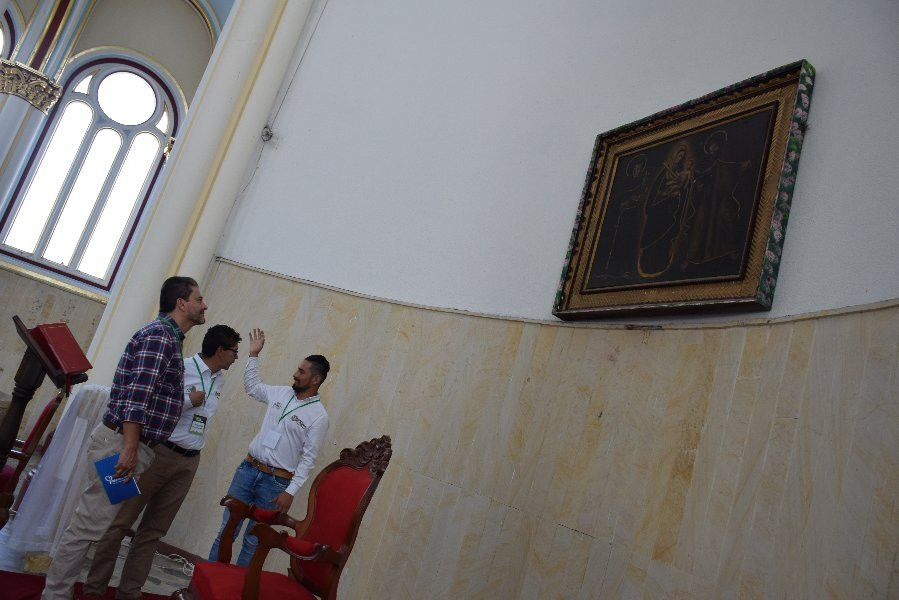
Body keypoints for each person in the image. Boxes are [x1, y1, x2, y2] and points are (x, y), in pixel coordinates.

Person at [41, 276, 207, 600]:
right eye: (199, 299)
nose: (204, 305)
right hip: (121, 444)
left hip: (127, 444)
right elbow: (136, 396)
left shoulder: (168, 338)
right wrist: (130, 449)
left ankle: (56, 593)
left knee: (93, 523)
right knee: (88, 525)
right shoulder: (160, 337)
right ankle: (54, 595)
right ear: (182, 303)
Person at [81, 325, 242, 600]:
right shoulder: (179, 367)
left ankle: (129, 593)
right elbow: (149, 401)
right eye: (234, 352)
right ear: (220, 350)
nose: (236, 358)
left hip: (189, 462)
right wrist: (188, 401)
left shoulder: (220, 379)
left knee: (153, 531)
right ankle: (94, 589)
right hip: (156, 452)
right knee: (119, 523)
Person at [208, 328, 330, 566]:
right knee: (226, 531)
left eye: (301, 372)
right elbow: (252, 387)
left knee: (254, 541)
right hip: (247, 471)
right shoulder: (280, 393)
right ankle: (206, 582)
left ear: (316, 379)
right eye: (297, 369)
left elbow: (308, 459)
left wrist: (290, 491)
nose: (295, 374)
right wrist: (253, 355)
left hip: (276, 484)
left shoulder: (319, 416)